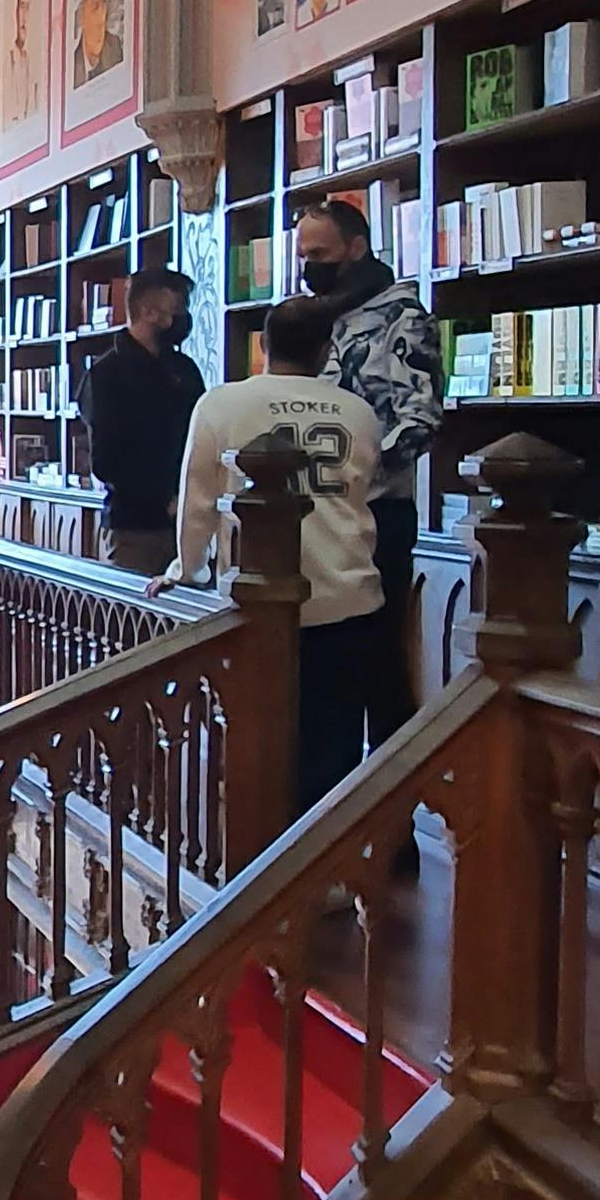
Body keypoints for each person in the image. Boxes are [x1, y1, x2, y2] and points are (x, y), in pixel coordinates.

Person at [167, 295, 384, 810]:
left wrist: (188, 567)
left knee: (257, 744)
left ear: (263, 345)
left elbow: (198, 502)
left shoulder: (221, 404)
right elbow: (363, 490)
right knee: (335, 749)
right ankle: (327, 864)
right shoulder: (359, 411)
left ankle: (262, 864)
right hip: (347, 595)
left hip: (254, 601)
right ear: (327, 351)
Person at [291, 190, 443, 792]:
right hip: (314, 514)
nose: (310, 264)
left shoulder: (401, 316)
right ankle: (319, 816)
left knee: (379, 672)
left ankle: (391, 827)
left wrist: (357, 473)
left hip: (376, 512)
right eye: (302, 253)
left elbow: (422, 417)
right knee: (319, 668)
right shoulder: (319, 314)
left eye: (321, 252)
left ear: (356, 248)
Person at [85, 267, 202, 571]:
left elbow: (200, 434)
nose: (183, 318)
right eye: (178, 310)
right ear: (150, 312)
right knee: (134, 613)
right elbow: (107, 461)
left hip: (189, 521)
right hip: (135, 528)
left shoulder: (184, 369)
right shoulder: (107, 373)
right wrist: (163, 498)